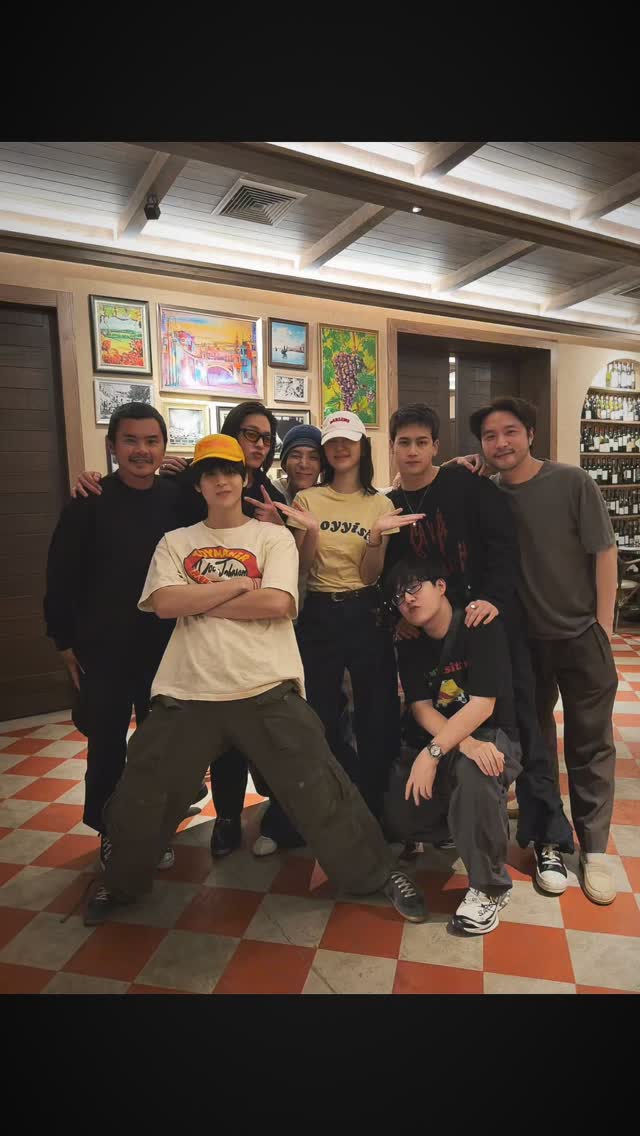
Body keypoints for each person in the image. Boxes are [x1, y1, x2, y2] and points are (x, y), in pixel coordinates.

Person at [84, 434, 427, 927]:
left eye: (230, 471)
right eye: (210, 473)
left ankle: (375, 874)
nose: (221, 480)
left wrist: (200, 598)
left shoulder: (272, 538)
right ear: (198, 484)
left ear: (243, 477)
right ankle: (119, 883)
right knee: (142, 793)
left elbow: (278, 603)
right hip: (187, 689)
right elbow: (164, 604)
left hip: (267, 687)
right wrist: (239, 584)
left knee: (321, 787)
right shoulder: (175, 541)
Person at [382, 403, 573, 892]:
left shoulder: (468, 486)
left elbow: (504, 549)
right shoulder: (392, 505)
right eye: (404, 442)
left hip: (489, 625)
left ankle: (546, 838)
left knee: (526, 726)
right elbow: (394, 576)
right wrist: (401, 616)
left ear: (436, 446)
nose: (413, 451)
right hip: (434, 637)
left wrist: (492, 599)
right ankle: (439, 823)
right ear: (392, 447)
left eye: (422, 442)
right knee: (437, 718)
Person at [466, 396, 618, 905]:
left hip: (580, 635)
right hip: (522, 643)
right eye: (490, 436)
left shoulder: (572, 482)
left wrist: (602, 627)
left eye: (510, 431)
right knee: (533, 739)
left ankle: (594, 847)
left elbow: (604, 551)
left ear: (531, 434)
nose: (501, 443)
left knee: (590, 742)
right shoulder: (486, 492)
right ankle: (548, 837)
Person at [44, 403, 202, 869]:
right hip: (105, 648)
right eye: (130, 440)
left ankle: (156, 828)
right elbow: (60, 576)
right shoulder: (88, 502)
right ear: (112, 445)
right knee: (107, 746)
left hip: (166, 646)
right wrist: (63, 641)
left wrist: (189, 471)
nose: (141, 450)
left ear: (164, 447)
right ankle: (110, 831)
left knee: (162, 746)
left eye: (152, 441)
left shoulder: (178, 499)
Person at [281, 410, 424, 821]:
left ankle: (376, 806)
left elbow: (369, 575)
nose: (341, 447)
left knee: (376, 712)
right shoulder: (308, 500)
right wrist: (310, 532)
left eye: (349, 440)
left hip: (365, 611)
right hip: (319, 612)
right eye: (333, 442)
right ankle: (327, 804)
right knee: (319, 712)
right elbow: (302, 569)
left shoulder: (380, 504)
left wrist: (376, 536)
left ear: (363, 447)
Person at [385, 554, 522, 934]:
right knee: (400, 807)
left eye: (414, 588)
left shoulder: (478, 625)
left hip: (491, 733)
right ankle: (449, 826)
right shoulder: (410, 640)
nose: (407, 599)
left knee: (478, 771)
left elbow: (483, 704)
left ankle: (490, 887)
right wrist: (457, 745)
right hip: (452, 737)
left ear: (441, 586)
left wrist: (436, 753)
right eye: (399, 596)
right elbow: (421, 707)